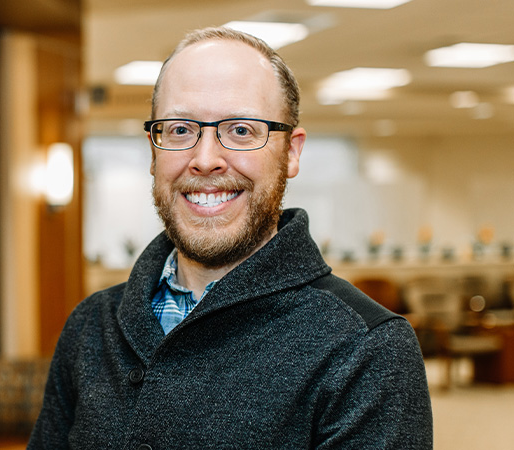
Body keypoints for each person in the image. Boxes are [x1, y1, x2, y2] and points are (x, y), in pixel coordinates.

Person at [28, 27, 433, 449]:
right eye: (181, 129)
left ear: (291, 153)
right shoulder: (92, 325)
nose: (204, 160)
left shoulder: (365, 349)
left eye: (241, 130)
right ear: (153, 149)